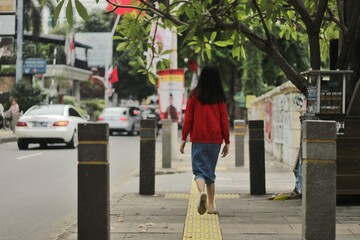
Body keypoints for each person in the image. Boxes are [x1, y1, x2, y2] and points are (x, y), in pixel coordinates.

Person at [180, 65, 230, 215]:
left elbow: (188, 118)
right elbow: (224, 120)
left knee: (199, 172)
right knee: (210, 173)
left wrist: (184, 138)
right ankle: (212, 206)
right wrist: (227, 141)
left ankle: (201, 192)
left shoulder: (194, 96)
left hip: (199, 139)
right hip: (215, 140)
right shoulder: (219, 98)